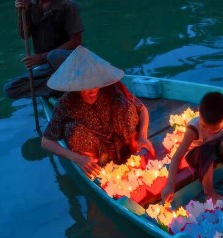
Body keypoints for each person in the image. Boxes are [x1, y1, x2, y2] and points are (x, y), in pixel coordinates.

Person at [40, 46, 155, 178]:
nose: (93, 90)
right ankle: (98, 171)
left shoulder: (112, 87)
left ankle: (131, 154)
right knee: (74, 130)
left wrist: (142, 136)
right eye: (87, 87)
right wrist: (77, 158)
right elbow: (46, 142)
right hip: (95, 156)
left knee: (126, 107)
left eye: (96, 84)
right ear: (77, 86)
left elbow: (142, 109)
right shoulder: (65, 103)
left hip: (122, 144)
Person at [161, 91, 223, 202]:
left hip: (214, 148)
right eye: (205, 126)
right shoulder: (193, 129)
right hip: (197, 154)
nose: (208, 132)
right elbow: (177, 156)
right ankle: (209, 192)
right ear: (199, 112)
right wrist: (170, 185)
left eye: (213, 129)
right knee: (206, 150)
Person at [4, 0, 84, 99]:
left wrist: (42, 57)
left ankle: (61, 84)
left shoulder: (68, 5)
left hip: (68, 60)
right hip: (47, 67)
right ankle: (58, 86)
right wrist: (21, 13)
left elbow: (76, 42)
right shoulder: (31, 5)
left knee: (54, 56)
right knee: (11, 88)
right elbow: (24, 35)